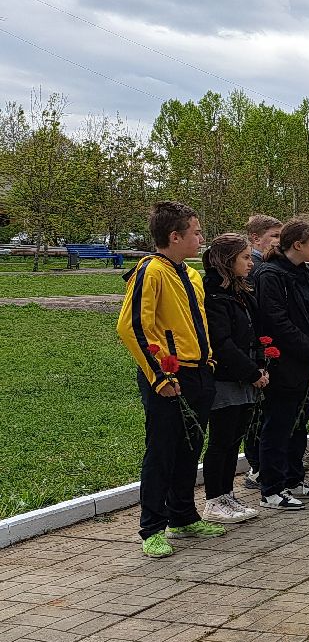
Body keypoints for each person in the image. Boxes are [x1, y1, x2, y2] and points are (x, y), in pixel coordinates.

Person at [118, 201, 226, 558]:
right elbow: (133, 326)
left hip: (198, 374)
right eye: (195, 232)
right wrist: (160, 375)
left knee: (189, 447)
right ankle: (152, 527)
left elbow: (198, 324)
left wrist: (207, 360)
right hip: (168, 376)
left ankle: (183, 515)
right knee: (162, 450)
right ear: (175, 236)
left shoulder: (190, 274)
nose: (201, 239)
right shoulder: (150, 271)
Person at [253, 218, 309, 509]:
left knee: (299, 422)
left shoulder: (308, 273)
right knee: (278, 425)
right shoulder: (271, 275)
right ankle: (271, 488)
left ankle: (294, 478)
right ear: (297, 245)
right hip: (286, 363)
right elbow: (278, 322)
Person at [199, 232, 265, 525]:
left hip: (247, 376)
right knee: (222, 440)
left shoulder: (240, 291)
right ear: (228, 261)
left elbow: (254, 332)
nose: (251, 263)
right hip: (227, 378)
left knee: (234, 437)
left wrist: (261, 366)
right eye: (245, 258)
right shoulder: (214, 294)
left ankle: (226, 494)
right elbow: (222, 343)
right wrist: (251, 372)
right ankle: (214, 499)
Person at [240, 214, 282, 491]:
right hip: (257, 350)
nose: (279, 242)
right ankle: (256, 465)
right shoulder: (254, 270)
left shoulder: (267, 266)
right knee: (257, 412)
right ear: (256, 238)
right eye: (275, 236)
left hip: (270, 349)